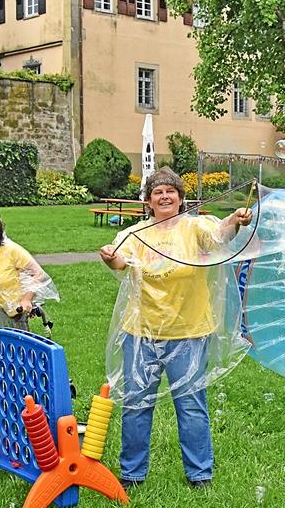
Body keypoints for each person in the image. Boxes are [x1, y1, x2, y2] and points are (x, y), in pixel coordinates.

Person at [98, 167, 251, 490]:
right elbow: (120, 262)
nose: (164, 196)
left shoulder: (196, 227)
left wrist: (235, 220)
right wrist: (109, 257)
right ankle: (132, 475)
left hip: (190, 331)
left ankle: (200, 475)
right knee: (137, 404)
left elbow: (220, 236)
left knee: (191, 405)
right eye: (158, 192)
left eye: (171, 191)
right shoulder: (135, 233)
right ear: (149, 201)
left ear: (181, 199)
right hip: (141, 332)